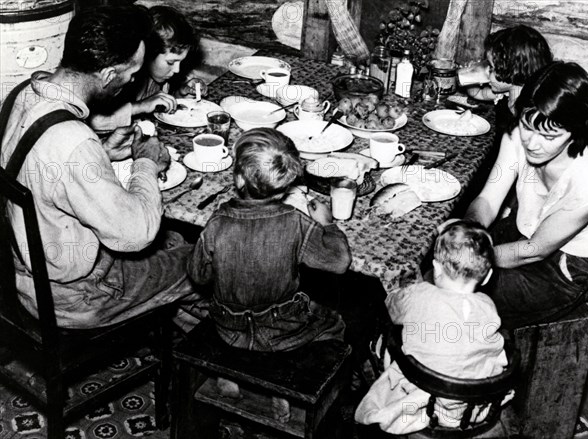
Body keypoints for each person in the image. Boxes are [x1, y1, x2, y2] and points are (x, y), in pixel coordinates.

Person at [0, 6, 199, 329]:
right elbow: (138, 234)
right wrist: (146, 162)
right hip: (73, 298)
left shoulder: (24, 94)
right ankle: (227, 355)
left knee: (176, 242)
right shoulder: (74, 140)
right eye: (131, 74)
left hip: (19, 273)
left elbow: (44, 171)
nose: (133, 81)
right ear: (108, 75)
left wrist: (104, 153)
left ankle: (177, 328)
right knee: (213, 259)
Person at [187, 128, 352, 421]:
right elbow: (339, 263)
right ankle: (283, 387)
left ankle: (230, 372)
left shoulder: (217, 221)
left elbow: (198, 276)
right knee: (335, 323)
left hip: (228, 328)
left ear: (238, 178)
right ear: (287, 183)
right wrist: (328, 225)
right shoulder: (296, 221)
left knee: (198, 309)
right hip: (282, 330)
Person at [463, 61, 588, 330]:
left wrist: (470, 258)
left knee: (467, 296)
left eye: (550, 135)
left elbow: (534, 251)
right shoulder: (517, 137)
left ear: (576, 132)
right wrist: (466, 232)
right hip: (521, 233)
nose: (533, 143)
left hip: (562, 268)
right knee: (438, 270)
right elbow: (489, 200)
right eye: (528, 126)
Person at [355, 220, 509, 435]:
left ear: (436, 268)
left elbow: (392, 308)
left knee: (388, 335)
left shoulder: (420, 294)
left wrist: (399, 296)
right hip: (472, 400)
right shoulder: (487, 305)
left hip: (427, 391)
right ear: (488, 276)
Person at [90, 5, 208, 131]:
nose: (177, 70)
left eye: (180, 62)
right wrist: (140, 106)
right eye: (170, 62)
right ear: (148, 52)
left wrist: (181, 95)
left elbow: (158, 105)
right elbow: (96, 122)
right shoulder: (122, 79)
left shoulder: (157, 78)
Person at [464, 25, 553, 131]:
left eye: (491, 68)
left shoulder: (530, 110)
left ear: (512, 70)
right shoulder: (503, 94)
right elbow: (477, 93)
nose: (487, 71)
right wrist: (471, 76)